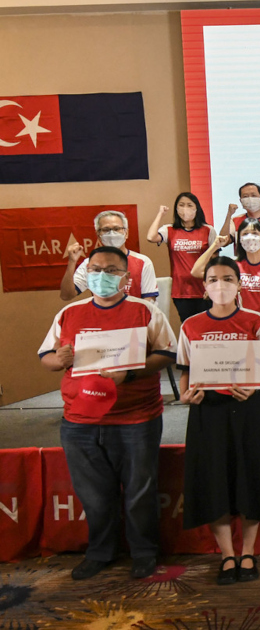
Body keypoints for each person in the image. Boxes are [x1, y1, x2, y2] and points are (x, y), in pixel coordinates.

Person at [39, 246, 176, 581]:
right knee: (93, 494)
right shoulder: (69, 313)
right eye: (96, 269)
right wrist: (59, 359)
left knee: (140, 491)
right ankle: (100, 552)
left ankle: (143, 552)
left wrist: (129, 373)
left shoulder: (145, 311)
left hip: (136, 418)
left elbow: (167, 354)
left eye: (112, 270)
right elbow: (46, 358)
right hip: (79, 421)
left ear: (126, 277)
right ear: (87, 274)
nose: (103, 276)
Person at [176, 256, 260, 586]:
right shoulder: (190, 325)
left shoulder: (255, 321)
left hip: (246, 409)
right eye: (212, 279)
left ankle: (248, 552)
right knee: (214, 480)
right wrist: (185, 395)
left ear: (239, 285)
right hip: (207, 412)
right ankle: (226, 554)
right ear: (204, 287)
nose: (219, 285)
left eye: (227, 279)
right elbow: (184, 371)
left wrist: (254, 385)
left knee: (251, 477)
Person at [193, 219, 260, 341]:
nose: (250, 237)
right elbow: (196, 271)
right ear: (240, 239)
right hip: (239, 322)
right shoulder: (233, 264)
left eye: (254, 233)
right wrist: (214, 246)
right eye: (245, 234)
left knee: (249, 336)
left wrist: (255, 321)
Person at [146, 193, 218, 322]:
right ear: (176, 209)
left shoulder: (208, 230)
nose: (185, 209)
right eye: (181, 205)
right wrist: (160, 214)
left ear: (197, 208)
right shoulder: (169, 229)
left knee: (207, 325)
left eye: (190, 205)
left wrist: (212, 284)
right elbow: (151, 237)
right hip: (181, 290)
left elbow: (215, 261)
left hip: (204, 288)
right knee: (187, 325)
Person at [61, 210, 158, 302]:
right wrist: (72, 262)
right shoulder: (90, 263)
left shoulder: (143, 262)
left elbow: (149, 299)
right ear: (98, 235)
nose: (112, 233)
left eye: (117, 229)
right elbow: (66, 295)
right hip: (101, 313)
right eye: (106, 230)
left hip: (135, 313)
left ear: (126, 233)